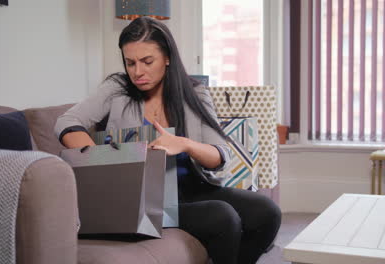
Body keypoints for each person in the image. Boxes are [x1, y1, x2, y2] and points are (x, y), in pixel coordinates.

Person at [54, 16, 281, 264]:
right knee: (223, 216)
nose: (137, 72)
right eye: (130, 63)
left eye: (147, 61)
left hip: (192, 189)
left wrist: (184, 144)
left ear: (167, 58)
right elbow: (66, 122)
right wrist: (102, 159)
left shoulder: (195, 93)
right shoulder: (116, 88)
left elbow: (220, 156)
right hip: (141, 196)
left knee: (267, 211)